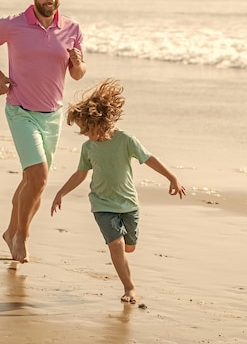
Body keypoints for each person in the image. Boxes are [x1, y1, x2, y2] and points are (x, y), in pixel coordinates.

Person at [0, 0, 87, 264]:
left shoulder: (72, 28)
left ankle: (11, 230)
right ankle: (22, 237)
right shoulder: (12, 25)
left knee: (32, 180)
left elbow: (77, 74)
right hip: (21, 110)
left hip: (53, 115)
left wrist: (78, 63)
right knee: (38, 178)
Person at [50, 79, 186, 304]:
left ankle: (125, 269)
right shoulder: (88, 147)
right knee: (116, 245)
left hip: (128, 204)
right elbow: (80, 174)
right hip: (102, 205)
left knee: (129, 247)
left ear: (100, 122)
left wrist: (172, 177)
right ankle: (129, 288)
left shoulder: (125, 140)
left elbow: (148, 158)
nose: (86, 135)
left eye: (88, 129)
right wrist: (60, 193)